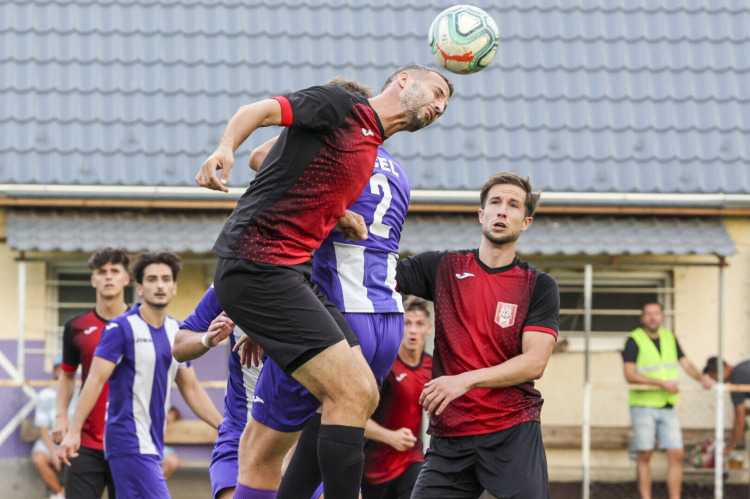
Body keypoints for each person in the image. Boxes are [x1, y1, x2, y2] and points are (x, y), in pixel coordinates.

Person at [195, 65, 452, 499]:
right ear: (404, 80)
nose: (440, 106)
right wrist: (224, 149)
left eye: (446, 103)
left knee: (360, 395)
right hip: (257, 267)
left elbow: (306, 188)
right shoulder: (342, 107)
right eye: (438, 90)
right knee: (344, 399)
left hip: (292, 279)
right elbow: (255, 113)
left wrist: (338, 213)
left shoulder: (368, 151)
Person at [396, 172, 560, 499]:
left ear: (525, 222)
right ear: (481, 214)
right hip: (451, 436)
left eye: (513, 205)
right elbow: (371, 276)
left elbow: (534, 363)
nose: (502, 211)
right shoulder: (443, 268)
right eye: (495, 202)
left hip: (512, 430)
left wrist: (464, 380)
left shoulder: (538, 285)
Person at [58, 251, 223, 498]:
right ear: (139, 286)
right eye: (152, 279)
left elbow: (191, 388)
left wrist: (223, 427)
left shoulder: (176, 331)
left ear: (174, 287)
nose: (159, 285)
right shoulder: (120, 327)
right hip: (127, 440)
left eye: (165, 279)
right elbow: (94, 381)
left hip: (152, 441)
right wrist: (73, 431)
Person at [52, 247, 131, 499]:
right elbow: (66, 375)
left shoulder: (142, 322)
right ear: (93, 279)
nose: (108, 277)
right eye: (102, 272)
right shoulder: (76, 326)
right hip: (83, 442)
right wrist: (61, 416)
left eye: (115, 271)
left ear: (126, 278)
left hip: (130, 442)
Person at [622, 302, 710, 499]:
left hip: (667, 405)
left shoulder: (670, 337)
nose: (653, 317)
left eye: (656, 313)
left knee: (676, 452)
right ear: (642, 318)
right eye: (648, 314)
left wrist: (702, 378)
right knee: (645, 454)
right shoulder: (634, 340)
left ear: (662, 316)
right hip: (643, 406)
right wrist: (661, 383)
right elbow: (629, 374)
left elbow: (685, 363)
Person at [362, 297, 433, 499]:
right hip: (372, 468)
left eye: (419, 324)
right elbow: (353, 416)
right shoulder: (384, 367)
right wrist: (389, 436)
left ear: (428, 328)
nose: (412, 330)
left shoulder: (432, 367)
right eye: (407, 323)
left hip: (412, 460)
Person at [32, 355, 77, 499]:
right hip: (54, 441)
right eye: (59, 370)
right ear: (53, 373)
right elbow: (43, 428)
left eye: (64, 370)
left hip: (74, 440)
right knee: (39, 458)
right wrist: (53, 453)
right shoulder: (45, 395)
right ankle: (60, 493)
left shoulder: (80, 393)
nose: (62, 373)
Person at [702, 357, 750, 456]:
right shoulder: (743, 366)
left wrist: (731, 447)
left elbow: (739, 418)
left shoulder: (736, 380)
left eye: (714, 377)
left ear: (723, 369)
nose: (716, 381)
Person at [161, 407, 181, 481]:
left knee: (173, 461)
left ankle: (157, 484)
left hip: (163, 448)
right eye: (170, 414)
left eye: (173, 416)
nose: (170, 417)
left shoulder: (170, 427)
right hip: (150, 447)